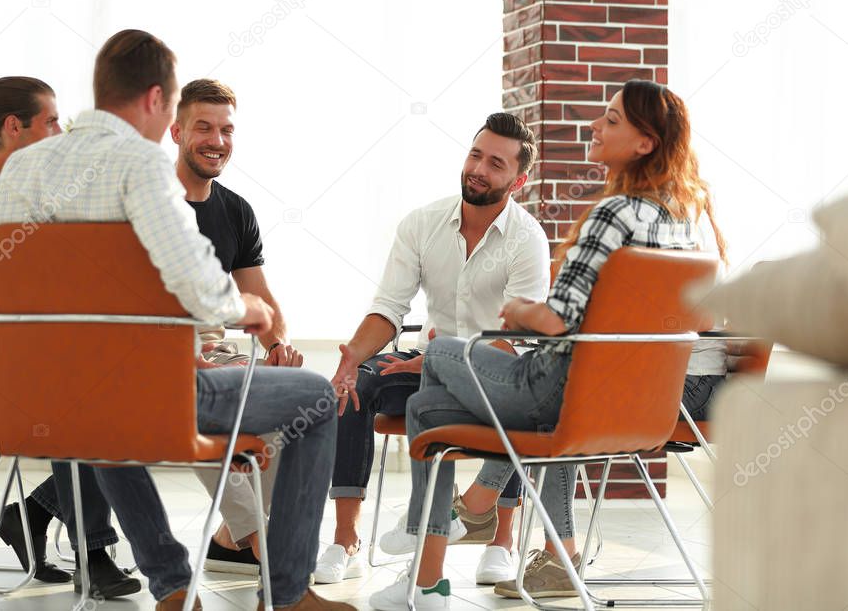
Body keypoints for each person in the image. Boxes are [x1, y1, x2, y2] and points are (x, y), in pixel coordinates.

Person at [0, 30, 353, 611]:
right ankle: (286, 592)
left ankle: (176, 587)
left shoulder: (21, 172)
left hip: (40, 403)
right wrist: (251, 311)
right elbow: (201, 288)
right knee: (315, 400)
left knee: (104, 420)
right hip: (147, 394)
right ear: (157, 100)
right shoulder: (141, 166)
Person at [369, 79, 729, 609]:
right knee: (434, 401)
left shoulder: (614, 214)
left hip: (575, 394)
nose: (595, 127)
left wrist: (516, 312)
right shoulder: (681, 218)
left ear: (644, 142)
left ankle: (430, 575)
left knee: (442, 356)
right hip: (647, 391)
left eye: (610, 120)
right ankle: (484, 532)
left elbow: (557, 322)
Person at [323, 113, 550, 586]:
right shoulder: (423, 223)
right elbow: (388, 307)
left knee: (513, 398)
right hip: (425, 364)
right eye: (475, 155)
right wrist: (351, 358)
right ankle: (347, 538)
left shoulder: (528, 240)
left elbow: (519, 340)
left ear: (518, 180)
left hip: (492, 372)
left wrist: (448, 358)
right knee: (356, 385)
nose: (478, 169)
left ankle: (498, 539)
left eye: (495, 164)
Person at [0, 76, 142, 598]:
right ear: (14, 128)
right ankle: (91, 553)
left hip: (40, 359)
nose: (61, 131)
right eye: (52, 121)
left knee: (129, 399)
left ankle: (31, 513)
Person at [167, 78, 306, 576]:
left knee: (293, 403)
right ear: (175, 131)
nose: (217, 141)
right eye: (203, 127)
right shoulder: (149, 203)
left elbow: (261, 300)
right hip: (155, 356)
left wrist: (280, 346)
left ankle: (233, 541)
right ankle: (261, 546)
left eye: (226, 130)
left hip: (217, 350)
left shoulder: (235, 210)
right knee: (202, 399)